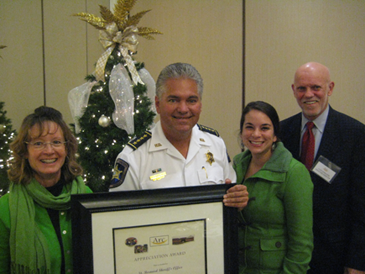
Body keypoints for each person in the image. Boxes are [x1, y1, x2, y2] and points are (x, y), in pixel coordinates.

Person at [110, 62, 248, 209]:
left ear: (200, 105)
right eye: (173, 100)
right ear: (157, 104)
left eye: (191, 100)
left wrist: (238, 200)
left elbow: (231, 199)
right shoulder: (133, 157)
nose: (183, 109)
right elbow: (119, 217)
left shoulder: (215, 144)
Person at [280, 62, 365, 274]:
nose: (309, 94)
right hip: (290, 255)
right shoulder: (281, 132)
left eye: (316, 87)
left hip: (335, 257)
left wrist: (357, 261)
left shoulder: (355, 134)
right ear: (293, 90)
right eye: (301, 88)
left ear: (330, 88)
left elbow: (362, 206)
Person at [0, 106, 92, 274]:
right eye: (38, 143)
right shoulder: (5, 209)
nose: (49, 151)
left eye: (56, 142)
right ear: (25, 151)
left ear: (66, 148)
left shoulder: (86, 197)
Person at [233, 101, 313, 273]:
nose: (256, 134)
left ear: (275, 134)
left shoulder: (294, 173)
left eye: (264, 128)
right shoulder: (236, 167)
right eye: (249, 127)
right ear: (241, 133)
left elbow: (301, 243)